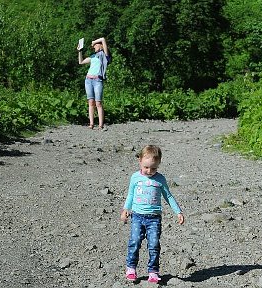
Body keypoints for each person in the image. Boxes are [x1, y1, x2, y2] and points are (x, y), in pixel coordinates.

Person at [121, 145, 185, 283]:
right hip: (137, 216)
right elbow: (131, 194)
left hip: (154, 219)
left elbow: (168, 196)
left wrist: (178, 211)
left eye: (154, 168)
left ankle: (153, 271)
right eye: (146, 167)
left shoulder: (160, 179)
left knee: (154, 244)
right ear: (140, 161)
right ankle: (131, 267)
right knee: (135, 241)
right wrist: (126, 209)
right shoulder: (135, 177)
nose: (149, 171)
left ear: (159, 164)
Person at [77, 37, 111, 130]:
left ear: (100, 45)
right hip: (88, 80)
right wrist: (80, 51)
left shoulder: (105, 55)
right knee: (91, 102)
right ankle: (91, 124)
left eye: (96, 45)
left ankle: (100, 125)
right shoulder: (93, 56)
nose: (94, 47)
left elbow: (103, 39)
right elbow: (81, 62)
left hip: (97, 80)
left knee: (98, 103)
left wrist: (94, 42)